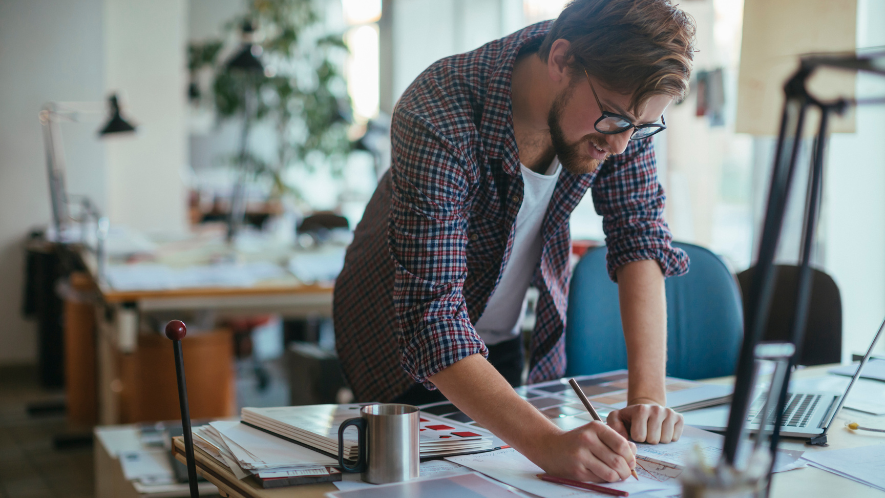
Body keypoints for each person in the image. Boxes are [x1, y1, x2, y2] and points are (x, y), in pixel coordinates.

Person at [334, 0, 696, 483]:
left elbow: (639, 238)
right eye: (614, 121)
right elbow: (431, 316)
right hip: (398, 345)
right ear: (561, 60)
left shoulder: (620, 101)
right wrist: (545, 443)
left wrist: (648, 397)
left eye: (642, 126)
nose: (622, 146)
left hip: (495, 344)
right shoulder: (438, 109)